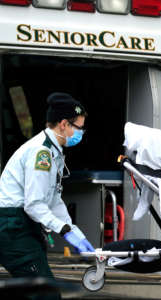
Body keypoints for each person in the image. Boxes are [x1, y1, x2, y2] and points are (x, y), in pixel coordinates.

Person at [0, 92, 95, 300]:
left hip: (20, 226)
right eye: (78, 127)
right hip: (12, 227)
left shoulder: (53, 150)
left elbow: (53, 199)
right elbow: (34, 205)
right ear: (63, 124)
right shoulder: (41, 153)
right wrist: (65, 231)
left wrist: (74, 231)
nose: (81, 133)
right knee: (45, 294)